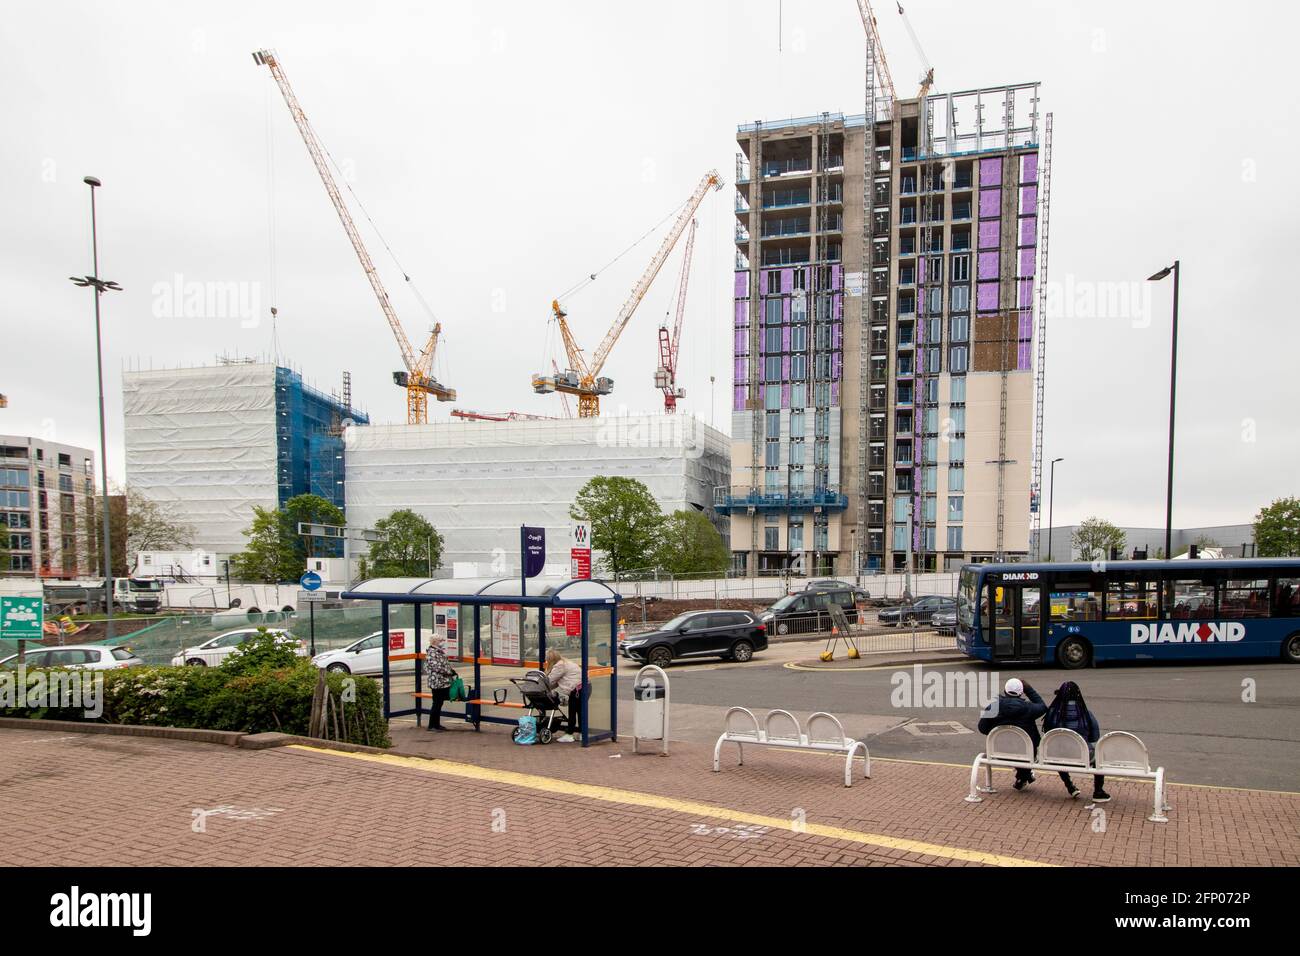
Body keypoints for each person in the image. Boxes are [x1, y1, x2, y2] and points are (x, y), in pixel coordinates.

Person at [1042, 680, 1110, 802]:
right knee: (1100, 756)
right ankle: (1098, 791)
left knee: (1059, 750)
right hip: (1082, 756)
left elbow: (1048, 735)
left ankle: (1070, 786)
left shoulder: (1052, 713)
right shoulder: (1086, 713)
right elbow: (1095, 737)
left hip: (1058, 756)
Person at [977, 677, 1047, 791]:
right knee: (1023, 744)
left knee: (1014, 745)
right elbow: (1043, 707)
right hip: (1027, 753)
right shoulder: (1029, 708)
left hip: (999, 752)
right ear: (1021, 693)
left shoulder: (993, 707)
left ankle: (1023, 777)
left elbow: (982, 728)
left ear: (1005, 691)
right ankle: (1024, 776)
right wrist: (1029, 689)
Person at [544, 648, 582, 743]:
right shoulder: (565, 662)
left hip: (577, 690)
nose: (546, 661)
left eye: (547, 659)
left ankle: (569, 734)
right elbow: (558, 681)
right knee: (580, 712)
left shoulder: (559, 666)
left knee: (572, 712)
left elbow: (550, 681)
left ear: (551, 659)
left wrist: (541, 687)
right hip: (584, 687)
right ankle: (582, 734)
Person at [424, 640, 456, 732]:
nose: (442, 642)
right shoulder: (433, 653)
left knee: (439, 703)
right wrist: (450, 672)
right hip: (437, 682)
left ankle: (436, 724)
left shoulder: (437, 651)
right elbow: (437, 667)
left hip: (441, 681)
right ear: (435, 642)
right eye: (441, 641)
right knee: (437, 703)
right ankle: (431, 726)